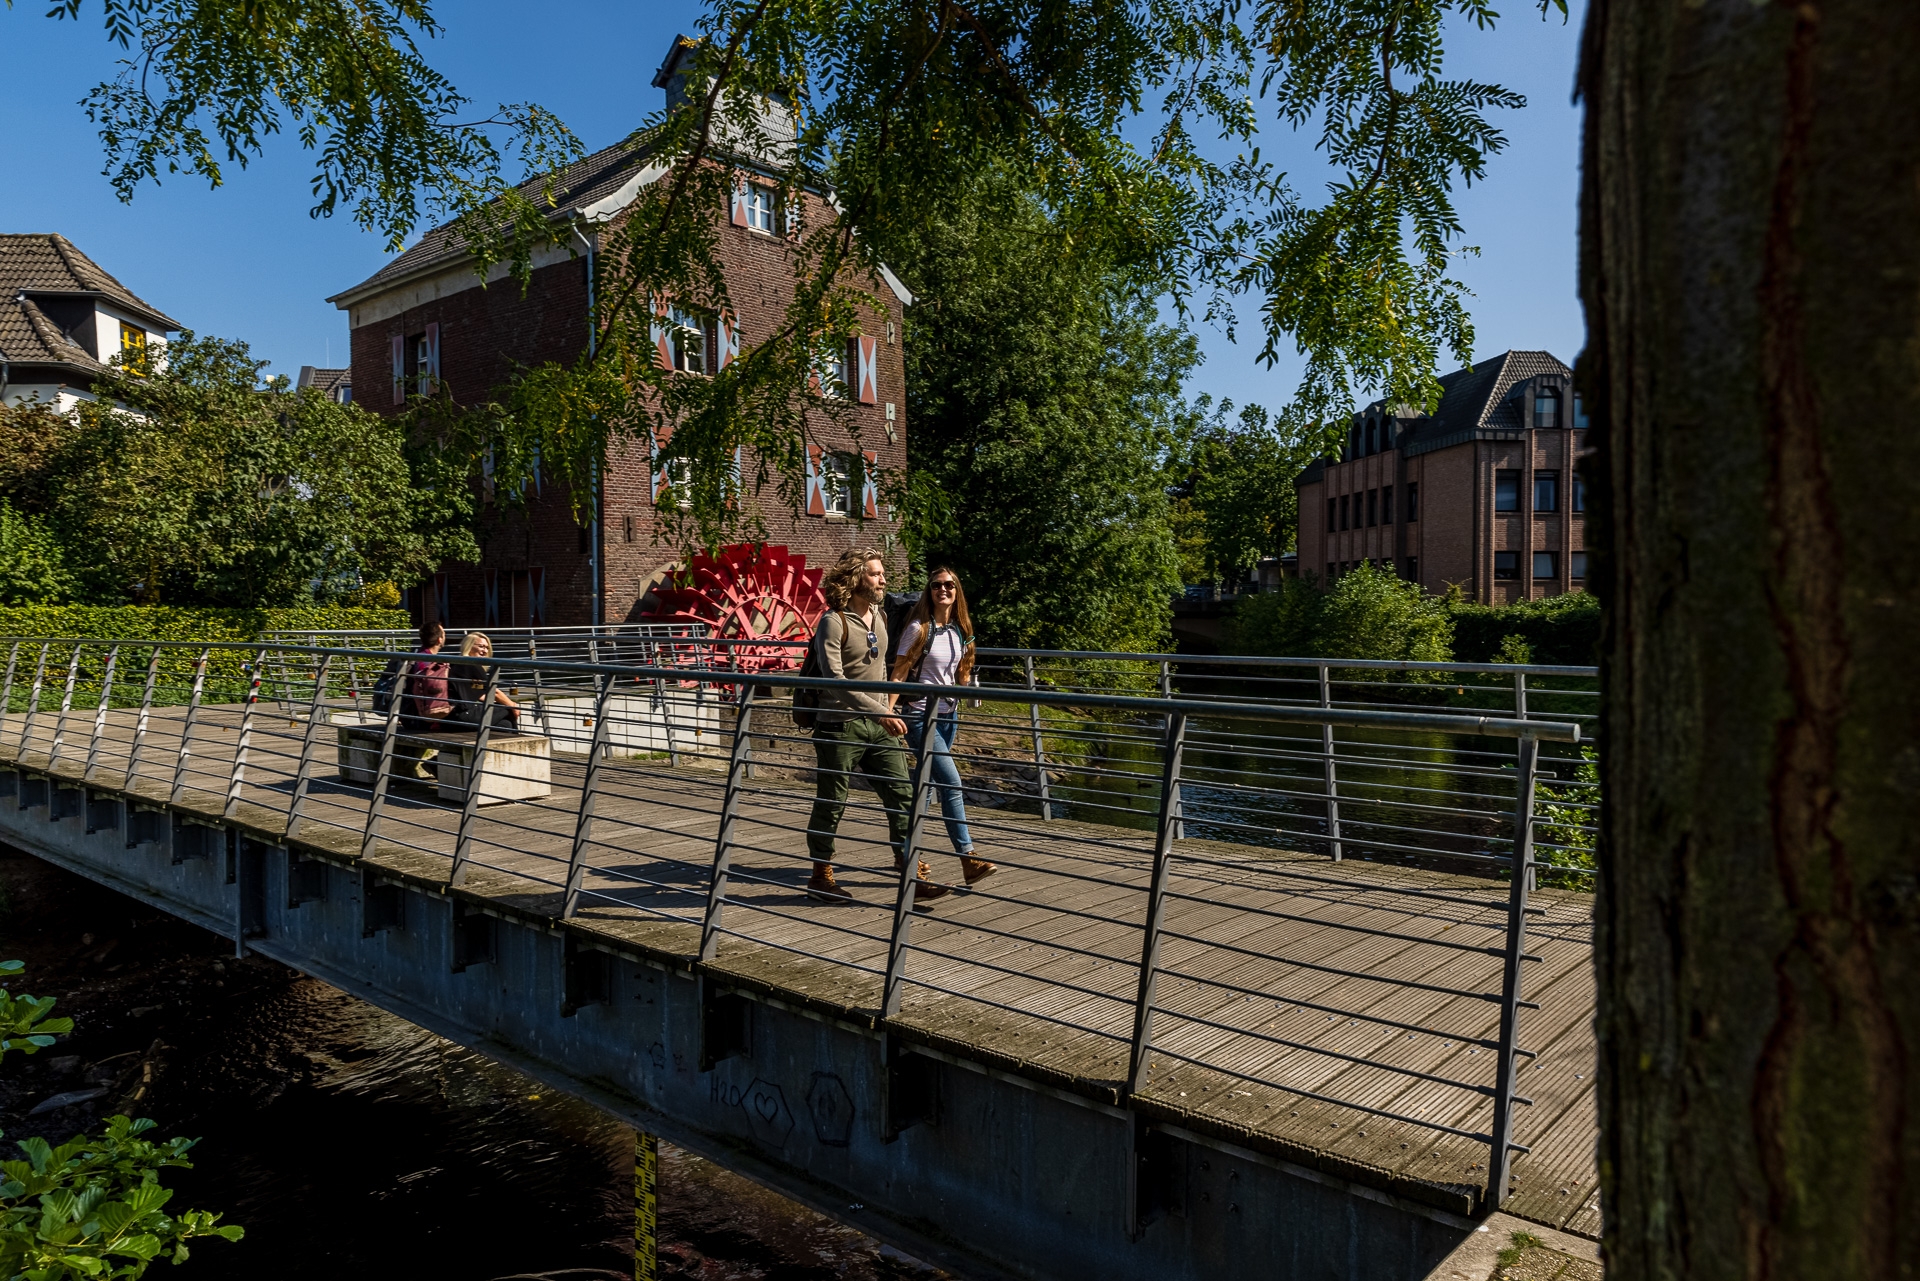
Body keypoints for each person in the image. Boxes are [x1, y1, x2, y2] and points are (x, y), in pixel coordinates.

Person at [804, 548, 948, 904]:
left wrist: (887, 706)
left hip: (877, 724)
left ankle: (909, 870)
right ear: (855, 579)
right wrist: (880, 712)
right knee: (832, 801)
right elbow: (834, 679)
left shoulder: (880, 617)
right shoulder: (833, 621)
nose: (883, 580)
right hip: (839, 725)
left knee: (902, 794)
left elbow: (881, 670)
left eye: (882, 574)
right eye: (875, 574)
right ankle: (821, 875)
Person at [891, 568, 996, 887]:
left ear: (957, 590)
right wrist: (886, 709)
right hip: (920, 716)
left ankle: (905, 854)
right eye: (937, 585)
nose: (943, 589)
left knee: (925, 789)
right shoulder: (917, 628)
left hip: (949, 716)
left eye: (949, 585)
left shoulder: (961, 628)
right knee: (951, 781)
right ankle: (968, 858)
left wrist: (969, 687)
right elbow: (898, 674)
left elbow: (961, 671)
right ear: (930, 591)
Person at [400, 621, 454, 778]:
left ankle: (438, 762)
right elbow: (433, 708)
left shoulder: (417, 656)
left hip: (409, 715)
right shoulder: (430, 665)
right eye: (443, 634)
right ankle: (439, 764)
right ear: (439, 640)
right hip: (422, 720)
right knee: (465, 721)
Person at [447, 632, 523, 733]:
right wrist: (512, 705)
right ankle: (516, 739)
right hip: (464, 715)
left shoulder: (457, 663)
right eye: (481, 646)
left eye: (487, 648)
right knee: (506, 709)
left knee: (505, 725)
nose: (485, 651)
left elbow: (481, 694)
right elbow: (493, 692)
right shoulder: (471, 665)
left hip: (453, 718)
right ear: (469, 646)